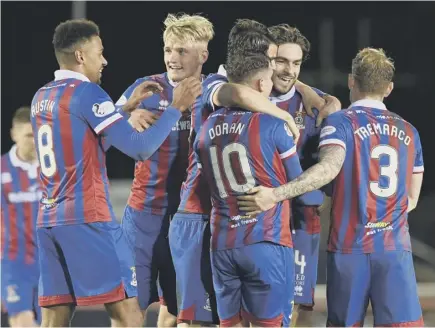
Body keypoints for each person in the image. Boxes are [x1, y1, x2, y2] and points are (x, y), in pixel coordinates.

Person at [30, 18, 200, 327]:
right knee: (127, 313)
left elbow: (85, 141)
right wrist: (175, 108)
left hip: (49, 220)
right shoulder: (88, 93)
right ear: (81, 56)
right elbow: (139, 148)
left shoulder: (41, 96)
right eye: (99, 52)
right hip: (88, 218)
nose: (104, 60)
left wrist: (121, 111)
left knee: (55, 317)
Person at [238, 48, 425, 327]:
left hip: (350, 249)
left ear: (351, 80)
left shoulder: (341, 122)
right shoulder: (409, 131)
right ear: (389, 88)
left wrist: (276, 194)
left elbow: (328, 169)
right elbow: (411, 198)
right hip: (394, 248)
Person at [193, 53, 323, 327]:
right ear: (262, 83)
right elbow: (306, 193)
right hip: (266, 241)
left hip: (222, 244)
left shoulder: (205, 128)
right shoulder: (275, 126)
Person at [116, 13, 214, 327]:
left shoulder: (214, 91)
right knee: (129, 309)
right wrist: (126, 117)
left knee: (179, 313)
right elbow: (102, 127)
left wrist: (309, 92)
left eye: (182, 51)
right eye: (168, 49)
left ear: (203, 55)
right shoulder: (145, 88)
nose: (173, 58)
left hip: (188, 218)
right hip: (143, 214)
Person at [267, 23, 341, 326]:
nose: (289, 70)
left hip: (301, 215)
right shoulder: (242, 96)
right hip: (259, 213)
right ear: (266, 59)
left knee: (301, 303)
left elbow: (335, 158)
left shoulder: (320, 106)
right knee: (257, 300)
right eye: (282, 61)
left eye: (296, 63)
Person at [1, 107, 42, 327]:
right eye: (28, 135)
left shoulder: (53, 170)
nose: (34, 141)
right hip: (14, 262)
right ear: (14, 134)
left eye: (37, 134)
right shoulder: (2, 171)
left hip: (50, 262)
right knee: (22, 320)